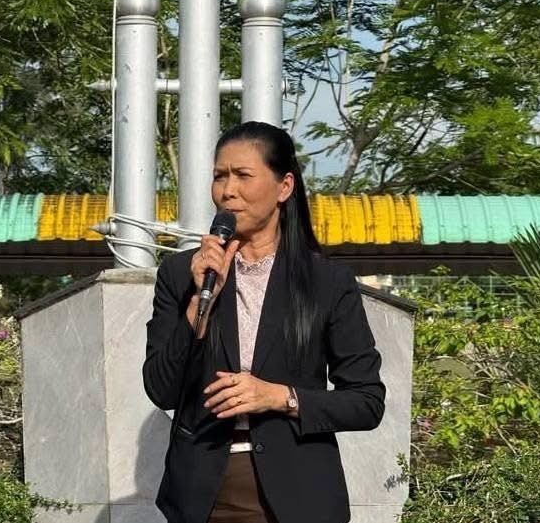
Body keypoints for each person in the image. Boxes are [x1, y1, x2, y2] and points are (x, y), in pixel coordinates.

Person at [143, 121, 386, 523]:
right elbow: (162, 389)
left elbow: (366, 401)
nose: (228, 190)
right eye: (220, 176)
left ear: (284, 187)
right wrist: (199, 302)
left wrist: (278, 397)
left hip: (299, 498)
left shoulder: (326, 282)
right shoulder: (181, 275)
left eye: (243, 175)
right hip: (202, 497)